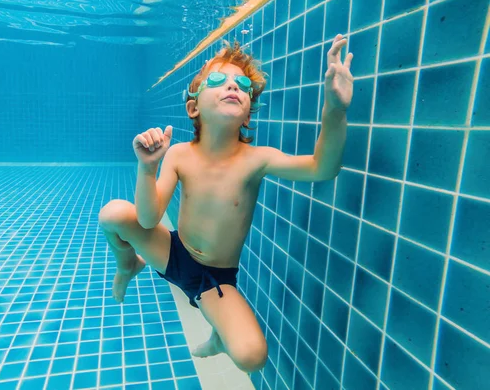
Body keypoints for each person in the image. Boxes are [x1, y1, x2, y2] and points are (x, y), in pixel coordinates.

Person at [99, 34, 354, 373]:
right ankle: (128, 265)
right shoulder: (179, 154)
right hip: (172, 253)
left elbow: (323, 168)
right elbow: (147, 220)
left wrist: (334, 111)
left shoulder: (257, 159)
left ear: (248, 113)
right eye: (218, 80)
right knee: (113, 213)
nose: (233, 87)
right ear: (194, 107)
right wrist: (147, 168)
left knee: (252, 357)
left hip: (215, 279)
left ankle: (220, 337)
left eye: (243, 85)